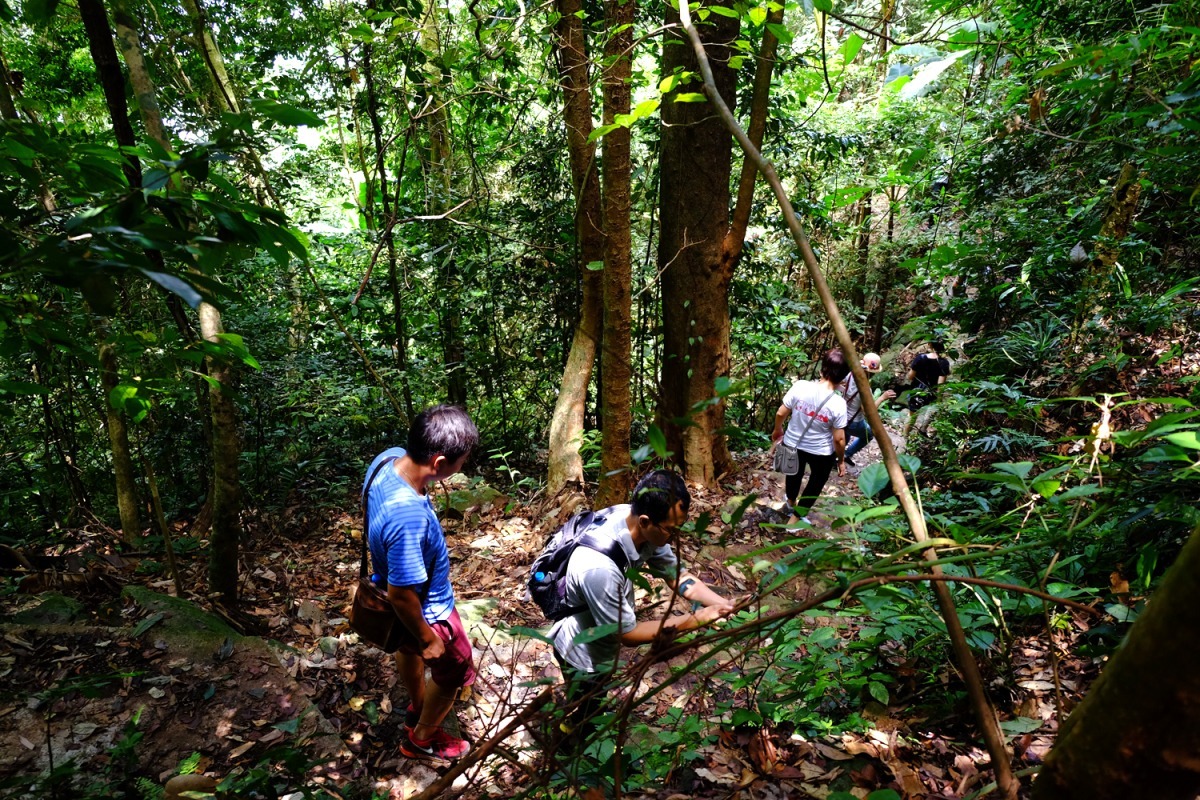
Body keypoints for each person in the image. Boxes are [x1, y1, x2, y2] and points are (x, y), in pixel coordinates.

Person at [549, 470, 734, 744]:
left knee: (594, 694)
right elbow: (626, 634)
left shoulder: (635, 519)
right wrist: (695, 619)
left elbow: (676, 576)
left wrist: (722, 605)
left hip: (599, 629)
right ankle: (568, 742)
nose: (675, 537)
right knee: (587, 698)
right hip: (580, 649)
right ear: (646, 521)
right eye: (672, 530)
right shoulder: (598, 568)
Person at [362, 405, 480, 762]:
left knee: (407, 645)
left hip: (390, 582)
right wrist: (429, 637)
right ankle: (422, 739)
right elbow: (401, 595)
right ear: (439, 462)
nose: (463, 467)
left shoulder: (389, 460)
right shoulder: (407, 515)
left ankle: (417, 705)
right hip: (429, 608)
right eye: (462, 461)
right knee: (456, 667)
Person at [771, 349, 850, 525]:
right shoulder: (838, 404)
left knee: (793, 474)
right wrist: (841, 460)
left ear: (822, 370)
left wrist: (777, 430)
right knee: (816, 482)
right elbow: (839, 439)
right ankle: (796, 519)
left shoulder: (800, 386)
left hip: (792, 442)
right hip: (820, 452)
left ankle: (790, 502)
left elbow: (781, 412)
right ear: (843, 377)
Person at [840, 352, 897, 467]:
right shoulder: (866, 390)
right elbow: (867, 411)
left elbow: (841, 383)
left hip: (841, 416)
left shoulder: (850, 374)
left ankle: (836, 455)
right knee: (869, 435)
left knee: (846, 434)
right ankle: (846, 455)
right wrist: (882, 397)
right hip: (854, 422)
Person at [903, 340, 951, 437]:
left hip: (917, 391)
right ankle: (922, 430)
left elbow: (910, 377)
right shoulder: (944, 363)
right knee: (929, 415)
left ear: (930, 344)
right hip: (931, 393)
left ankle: (905, 436)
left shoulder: (920, 358)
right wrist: (939, 400)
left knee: (912, 416)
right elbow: (940, 385)